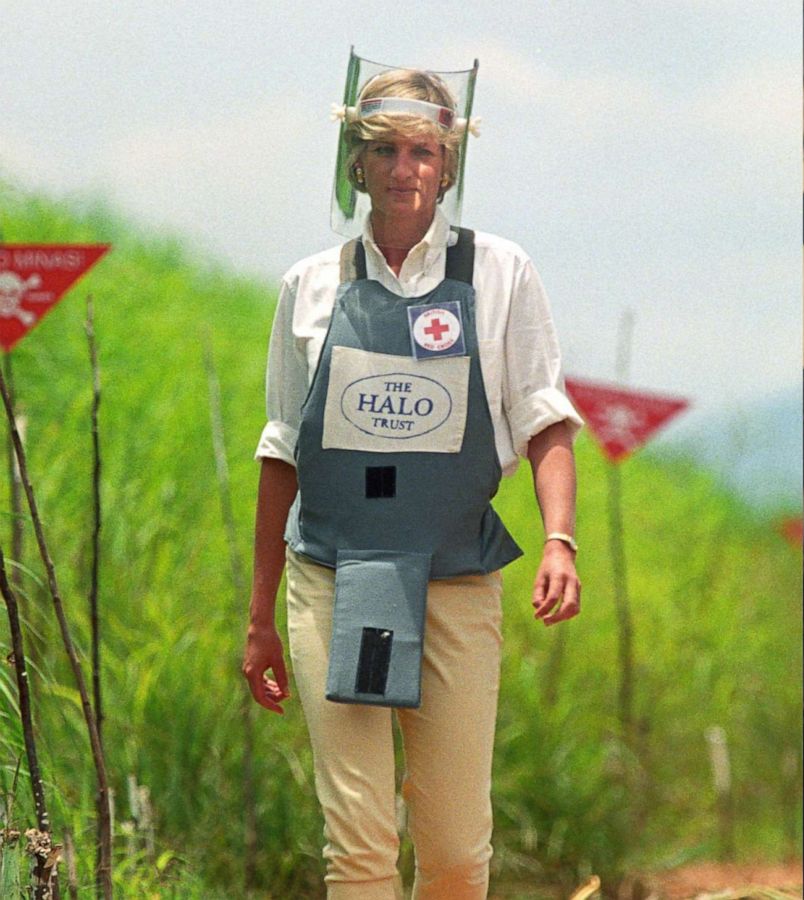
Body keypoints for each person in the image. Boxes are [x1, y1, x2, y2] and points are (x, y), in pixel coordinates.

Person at [240, 55, 585, 899]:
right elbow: (282, 448)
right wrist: (258, 615)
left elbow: (546, 419)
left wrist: (559, 541)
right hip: (334, 577)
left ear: (449, 164)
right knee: (358, 848)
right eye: (386, 150)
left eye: (422, 152)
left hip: (453, 581)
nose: (404, 170)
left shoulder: (502, 274)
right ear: (354, 160)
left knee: (458, 852)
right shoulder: (310, 285)